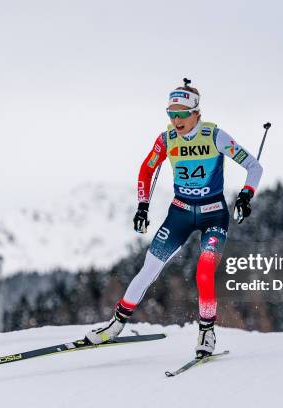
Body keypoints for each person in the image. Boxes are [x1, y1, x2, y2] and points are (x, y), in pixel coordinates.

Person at [85, 79, 263, 358]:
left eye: (181, 114)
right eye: (171, 113)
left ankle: (207, 333)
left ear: (196, 113)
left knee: (203, 271)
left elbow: (254, 166)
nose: (176, 120)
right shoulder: (166, 139)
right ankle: (115, 326)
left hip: (213, 215)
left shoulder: (215, 135)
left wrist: (245, 196)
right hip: (179, 214)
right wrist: (142, 206)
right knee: (149, 268)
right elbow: (146, 170)